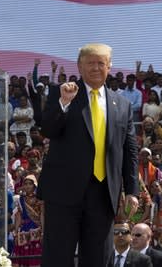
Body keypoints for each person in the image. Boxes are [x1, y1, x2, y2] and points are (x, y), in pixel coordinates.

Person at [38, 43, 139, 267]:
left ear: (109, 67)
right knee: (58, 257)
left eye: (100, 63)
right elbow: (48, 130)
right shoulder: (63, 93)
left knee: (98, 260)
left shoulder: (121, 104)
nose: (95, 68)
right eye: (90, 63)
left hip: (103, 193)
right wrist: (64, 103)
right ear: (80, 66)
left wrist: (132, 191)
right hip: (64, 192)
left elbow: (129, 150)